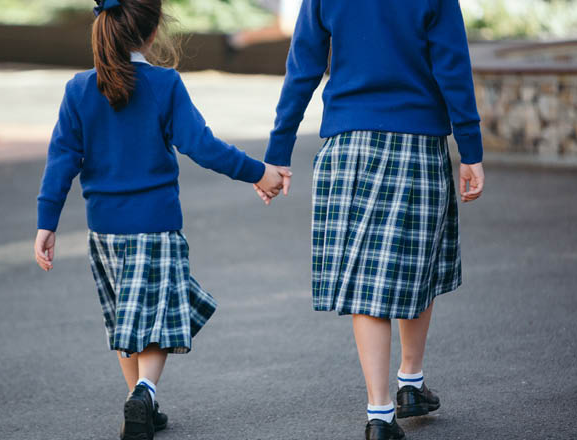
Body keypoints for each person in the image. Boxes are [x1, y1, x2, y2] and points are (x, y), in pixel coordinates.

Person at [33, 1, 288, 439]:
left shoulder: (78, 89)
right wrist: (260, 171)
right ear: (152, 34)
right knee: (156, 319)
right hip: (155, 226)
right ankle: (146, 391)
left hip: (104, 231)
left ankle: (141, 403)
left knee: (123, 321)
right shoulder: (164, 84)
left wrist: (46, 222)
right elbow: (203, 146)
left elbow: (61, 161)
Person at [254, 0, 485, 439]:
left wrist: (278, 151)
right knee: (419, 265)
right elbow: (452, 64)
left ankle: (380, 415)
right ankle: (410, 380)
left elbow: (303, 64)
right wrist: (470, 150)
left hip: (346, 144)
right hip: (417, 141)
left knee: (366, 280)